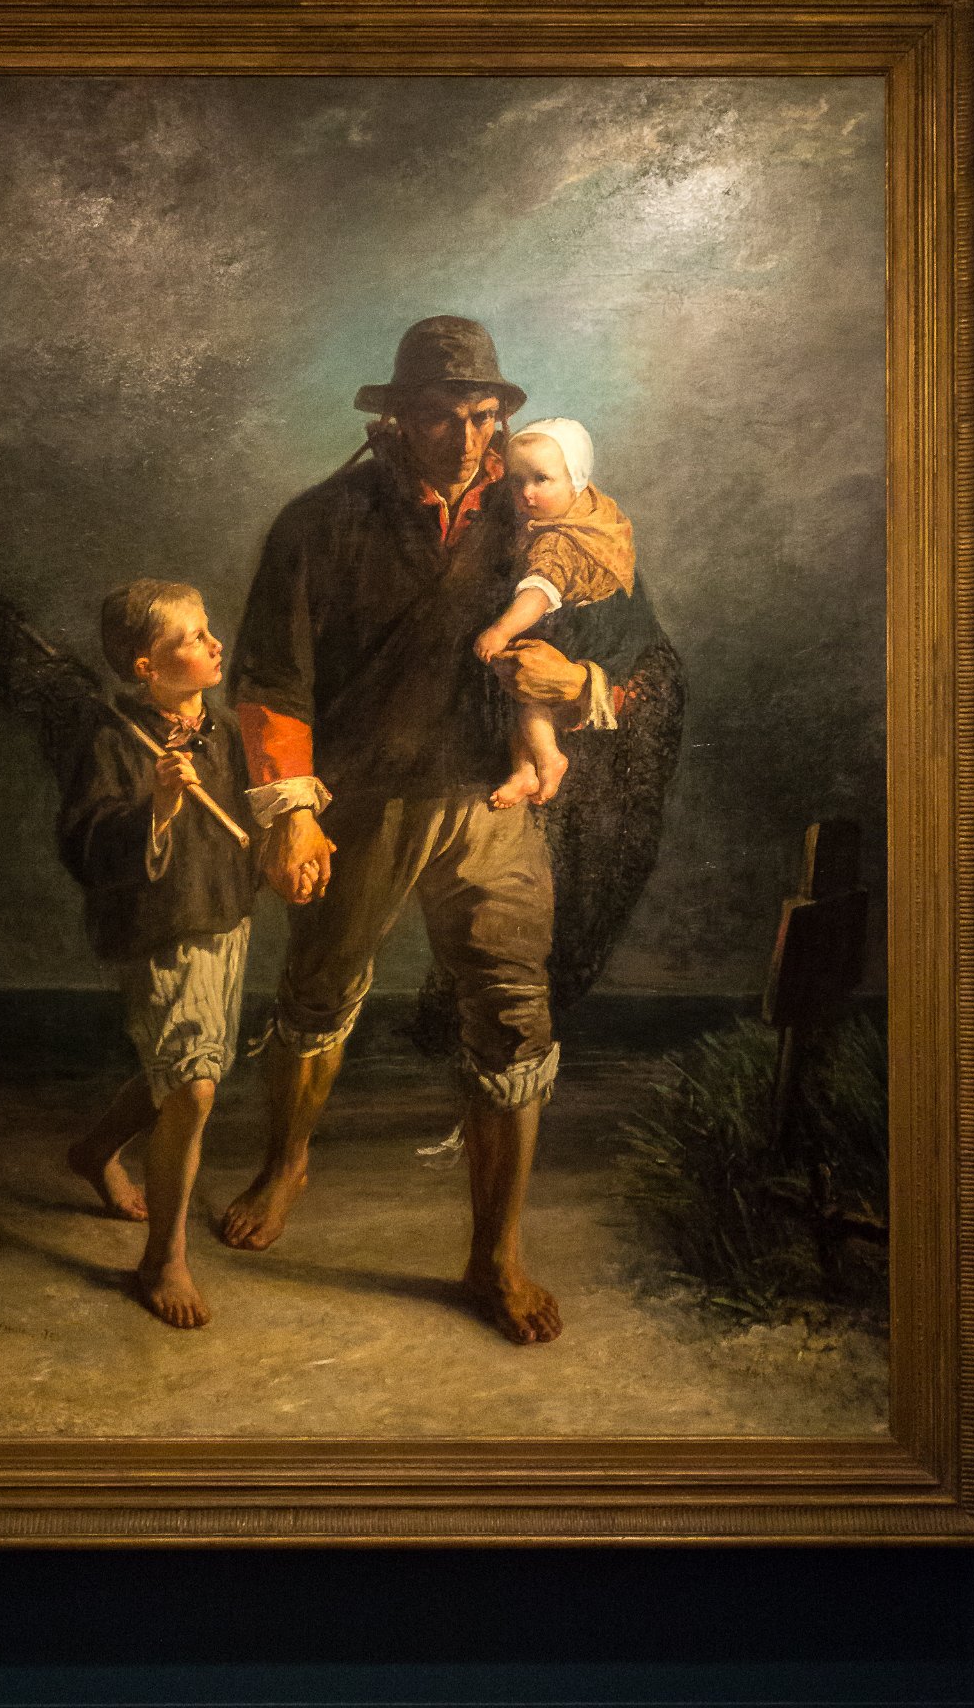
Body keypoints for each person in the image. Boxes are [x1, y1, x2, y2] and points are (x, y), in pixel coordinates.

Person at [223, 316, 673, 1345]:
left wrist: (583, 682)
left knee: (514, 1018)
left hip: (490, 803)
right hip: (357, 805)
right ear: (395, 419)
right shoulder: (319, 522)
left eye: (481, 417)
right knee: (317, 994)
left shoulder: (546, 514)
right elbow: (271, 681)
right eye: (441, 417)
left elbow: (638, 649)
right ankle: (286, 1162)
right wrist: (291, 814)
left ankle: (494, 1256)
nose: (468, 440)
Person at [60, 580, 256, 1329]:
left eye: (208, 630)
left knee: (174, 1075)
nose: (214, 643)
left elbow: (254, 815)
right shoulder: (113, 740)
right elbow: (84, 843)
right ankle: (163, 1259)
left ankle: (93, 1151)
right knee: (194, 1088)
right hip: (158, 930)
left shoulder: (225, 731)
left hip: (224, 918)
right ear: (145, 666)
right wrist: (160, 806)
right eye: (192, 637)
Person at [474, 418, 634, 809]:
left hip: (572, 632)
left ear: (574, 479)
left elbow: (539, 592)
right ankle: (525, 770)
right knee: (519, 690)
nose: (526, 493)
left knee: (524, 687)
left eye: (541, 479)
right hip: (577, 626)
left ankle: (547, 759)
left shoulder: (558, 541)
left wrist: (500, 630)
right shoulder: (594, 513)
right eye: (517, 481)